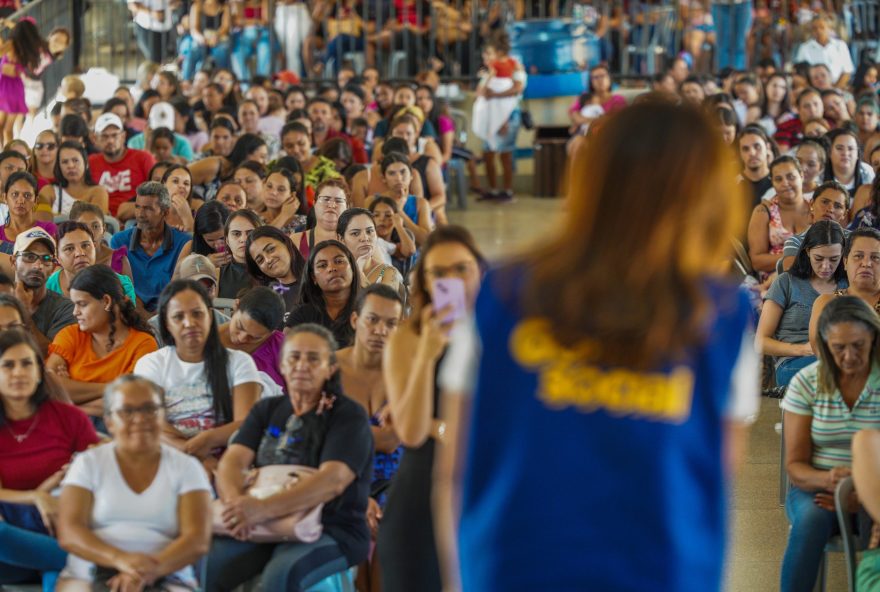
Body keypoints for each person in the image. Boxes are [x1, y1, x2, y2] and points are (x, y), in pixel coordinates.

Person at [203, 323, 373, 592]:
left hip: (331, 528)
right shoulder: (267, 409)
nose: (302, 365)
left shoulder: (348, 415)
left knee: (279, 578)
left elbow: (332, 481)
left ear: (330, 369)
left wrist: (261, 508)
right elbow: (232, 462)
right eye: (294, 357)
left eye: (313, 358)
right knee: (205, 566)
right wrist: (237, 505)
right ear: (281, 365)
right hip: (263, 524)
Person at [377, 226, 487, 592]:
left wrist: (439, 424)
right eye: (438, 273)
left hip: (483, 488)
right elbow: (409, 430)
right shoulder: (408, 337)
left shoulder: (502, 333)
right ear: (424, 281)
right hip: (420, 490)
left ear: (481, 271)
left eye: (461, 269)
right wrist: (428, 354)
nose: (451, 281)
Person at [56, 375, 212, 591]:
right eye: (127, 411)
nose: (139, 419)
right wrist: (121, 560)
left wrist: (150, 569)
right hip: (91, 572)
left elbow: (197, 540)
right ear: (109, 421)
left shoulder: (187, 467)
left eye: (150, 409)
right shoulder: (88, 463)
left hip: (167, 573)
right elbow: (69, 532)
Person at [780, 296, 880, 591]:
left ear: (873, 339)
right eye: (838, 348)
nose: (849, 356)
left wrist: (864, 492)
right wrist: (831, 480)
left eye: (858, 346)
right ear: (825, 344)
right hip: (820, 489)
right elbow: (795, 466)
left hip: (876, 487)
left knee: (873, 519)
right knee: (811, 520)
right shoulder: (807, 382)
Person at [0, 331, 98, 592]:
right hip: (9, 544)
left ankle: (82, 557)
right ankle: (99, 558)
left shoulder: (67, 417)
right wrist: (38, 496)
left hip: (60, 525)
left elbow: (100, 468)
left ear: (39, 371)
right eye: (8, 365)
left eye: (27, 363)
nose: (18, 372)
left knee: (59, 573)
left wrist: (76, 472)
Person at [135, 280, 262, 470]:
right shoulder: (151, 364)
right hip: (168, 464)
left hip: (228, 465)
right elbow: (151, 425)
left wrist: (208, 438)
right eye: (178, 316)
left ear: (210, 316)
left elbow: (246, 424)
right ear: (167, 324)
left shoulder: (239, 362)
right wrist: (200, 459)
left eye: (197, 313)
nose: (189, 323)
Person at [47, 264, 157, 428]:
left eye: (82, 304)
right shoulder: (70, 334)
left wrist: (69, 402)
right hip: (67, 427)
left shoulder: (143, 344)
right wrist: (115, 387)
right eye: (74, 304)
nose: (74, 312)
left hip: (121, 430)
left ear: (106, 301)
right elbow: (49, 386)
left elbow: (131, 403)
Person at [757, 220, 847, 387]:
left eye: (834, 259)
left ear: (843, 256)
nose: (826, 266)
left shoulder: (847, 285)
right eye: (818, 258)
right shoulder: (786, 283)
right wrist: (803, 349)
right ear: (807, 252)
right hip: (794, 362)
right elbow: (760, 341)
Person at [109, 181, 191, 313]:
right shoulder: (119, 241)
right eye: (137, 207)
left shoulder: (183, 243)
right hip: (131, 314)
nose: (140, 214)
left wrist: (155, 322)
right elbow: (119, 290)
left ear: (165, 212)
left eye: (148, 209)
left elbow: (178, 293)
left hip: (170, 315)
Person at [473, 32, 525, 202]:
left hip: (508, 115)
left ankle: (507, 190)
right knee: (488, 154)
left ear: (499, 52)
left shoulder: (515, 66)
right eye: (484, 54)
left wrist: (495, 95)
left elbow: (517, 88)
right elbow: (481, 92)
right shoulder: (489, 70)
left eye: (489, 53)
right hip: (489, 116)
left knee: (505, 155)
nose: (485, 57)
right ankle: (493, 189)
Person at [809, 227, 880, 350]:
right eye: (858, 256)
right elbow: (821, 350)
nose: (866, 263)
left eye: (875, 257)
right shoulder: (826, 303)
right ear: (845, 262)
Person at [285, 240, 360, 347]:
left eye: (339, 261)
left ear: (352, 267)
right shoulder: (301, 316)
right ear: (313, 277)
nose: (332, 268)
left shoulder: (369, 307)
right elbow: (288, 358)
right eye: (322, 265)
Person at [11, 227, 75, 351]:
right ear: (13, 262)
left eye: (46, 259)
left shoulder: (66, 309)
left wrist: (23, 311)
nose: (38, 265)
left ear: (52, 268)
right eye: (29, 256)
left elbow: (50, 355)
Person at [747, 156, 812, 279]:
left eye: (791, 177)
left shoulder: (816, 208)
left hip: (814, 278)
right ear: (772, 182)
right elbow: (756, 262)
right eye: (778, 179)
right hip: (774, 282)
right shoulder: (763, 211)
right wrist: (798, 258)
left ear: (801, 176)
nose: (785, 183)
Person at [46, 221, 136, 304]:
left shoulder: (121, 285)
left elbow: (128, 320)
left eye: (85, 245)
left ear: (94, 247)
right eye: (69, 248)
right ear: (57, 257)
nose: (80, 253)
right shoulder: (47, 288)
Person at [218, 285, 286, 391]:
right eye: (239, 326)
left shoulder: (281, 346)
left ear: (271, 332)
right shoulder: (205, 343)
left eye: (255, 337)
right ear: (236, 306)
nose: (242, 339)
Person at [89, 113, 155, 217]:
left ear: (123, 136)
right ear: (95, 138)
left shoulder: (143, 158)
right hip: (101, 221)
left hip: (136, 219)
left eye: (115, 135)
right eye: (104, 136)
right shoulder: (90, 162)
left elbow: (157, 191)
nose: (110, 141)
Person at [0, 19, 47, 144]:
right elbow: (23, 30)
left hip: (5, 87)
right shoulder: (26, 46)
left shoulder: (11, 44)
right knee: (8, 129)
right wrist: (7, 23)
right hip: (17, 87)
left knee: (2, 127)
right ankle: (7, 155)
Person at [337, 207, 404, 294]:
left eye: (369, 231)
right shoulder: (334, 270)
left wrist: (360, 274)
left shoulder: (388, 272)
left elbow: (383, 306)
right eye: (355, 233)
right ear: (341, 239)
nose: (365, 238)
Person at [371, 153, 433, 246]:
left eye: (403, 172)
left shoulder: (421, 203)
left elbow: (426, 241)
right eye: (392, 173)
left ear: (411, 175)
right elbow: (369, 237)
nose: (398, 178)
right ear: (384, 178)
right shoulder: (372, 201)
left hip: (414, 258)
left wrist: (399, 211)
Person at [37, 141, 109, 218]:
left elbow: (96, 225)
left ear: (86, 163)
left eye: (75, 160)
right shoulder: (48, 191)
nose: (70, 166)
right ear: (59, 166)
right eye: (65, 162)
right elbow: (39, 222)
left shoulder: (98, 192)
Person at [245, 225, 307, 313]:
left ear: (285, 243)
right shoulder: (264, 299)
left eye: (271, 249)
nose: (268, 260)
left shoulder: (318, 280)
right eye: (260, 260)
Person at [69, 201, 133, 279]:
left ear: (104, 230)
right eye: (83, 226)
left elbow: (128, 291)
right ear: (72, 231)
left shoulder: (119, 261)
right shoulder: (66, 260)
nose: (91, 233)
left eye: (95, 226)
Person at [291, 178, 351, 261]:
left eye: (338, 201)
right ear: (314, 203)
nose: (331, 205)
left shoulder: (356, 242)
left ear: (347, 207)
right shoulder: (295, 241)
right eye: (325, 199)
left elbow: (372, 271)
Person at [0, 172, 56, 256]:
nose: (21, 200)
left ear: (36, 201)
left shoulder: (48, 228)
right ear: (5, 198)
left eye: (27, 195)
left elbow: (53, 262)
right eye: (15, 194)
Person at [794, 15, 855, 88]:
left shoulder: (840, 45)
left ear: (829, 28)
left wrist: (834, 89)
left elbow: (847, 71)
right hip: (813, 89)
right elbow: (799, 74)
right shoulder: (805, 48)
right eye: (814, 29)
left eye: (822, 27)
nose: (818, 31)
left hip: (837, 87)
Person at [368, 195, 417, 278]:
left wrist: (399, 226)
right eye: (376, 215)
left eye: (388, 215)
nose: (382, 219)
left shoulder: (391, 246)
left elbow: (410, 251)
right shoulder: (366, 242)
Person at [175, 200, 231, 272]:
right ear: (200, 236)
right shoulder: (190, 247)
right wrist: (204, 263)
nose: (217, 245)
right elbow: (176, 280)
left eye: (222, 238)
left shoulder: (240, 245)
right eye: (210, 240)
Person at [219, 208, 261, 299]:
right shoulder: (216, 275)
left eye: (250, 233)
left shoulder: (273, 272)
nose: (243, 239)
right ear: (227, 240)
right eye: (236, 234)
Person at [824, 128, 874, 197]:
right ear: (829, 152)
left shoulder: (868, 172)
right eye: (839, 148)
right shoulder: (819, 175)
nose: (845, 153)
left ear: (858, 154)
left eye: (850, 149)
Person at [737, 125, 774, 206]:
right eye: (745, 149)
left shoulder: (779, 181)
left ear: (768, 147)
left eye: (757, 146)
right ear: (740, 153)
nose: (752, 153)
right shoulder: (732, 184)